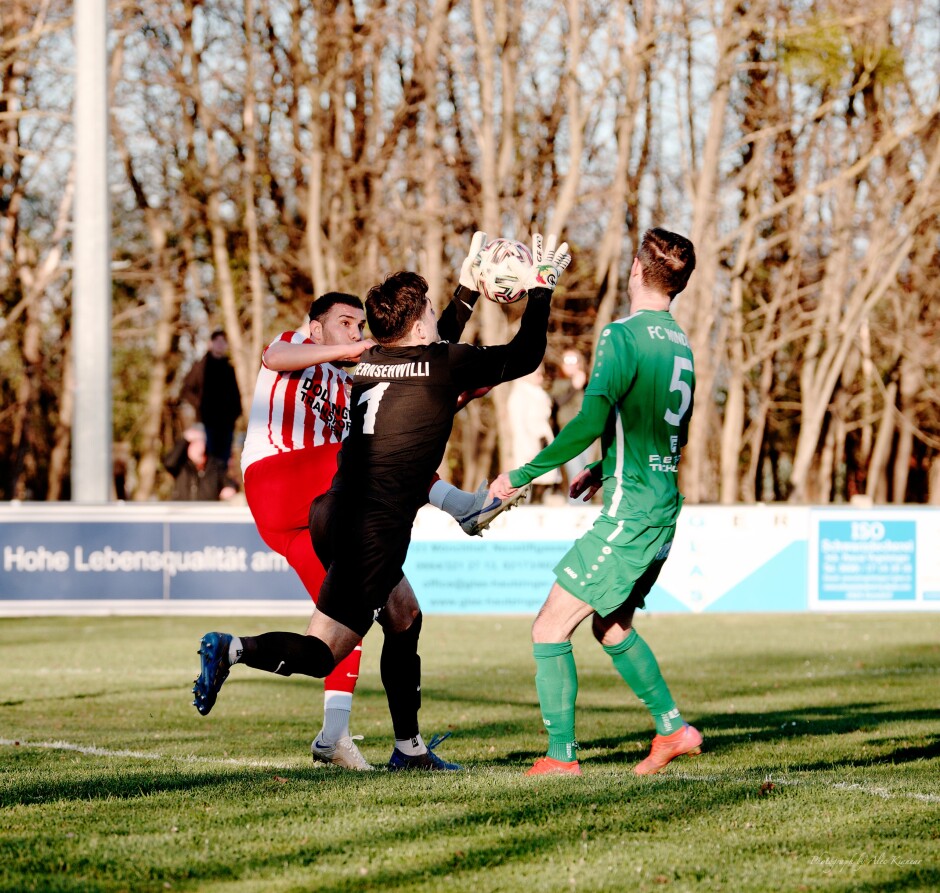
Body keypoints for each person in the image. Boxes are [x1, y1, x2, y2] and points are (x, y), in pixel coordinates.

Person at [191, 231, 570, 771]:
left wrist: (466, 290)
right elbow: (526, 355)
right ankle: (232, 648)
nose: (440, 318)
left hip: (329, 513)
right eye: (435, 311)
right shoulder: (442, 363)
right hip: (373, 528)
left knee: (405, 616)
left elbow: (422, 355)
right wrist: (540, 290)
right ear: (418, 325)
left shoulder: (364, 363)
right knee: (325, 651)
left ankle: (409, 748)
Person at [234, 288, 514, 770]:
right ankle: (462, 506)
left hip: (312, 516)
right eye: (345, 322)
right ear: (316, 326)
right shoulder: (300, 347)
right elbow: (273, 355)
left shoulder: (354, 383)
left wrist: (455, 388)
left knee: (374, 613)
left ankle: (345, 736)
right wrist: (345, 351)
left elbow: (422, 367)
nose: (356, 334)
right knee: (378, 461)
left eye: (360, 327)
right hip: (277, 480)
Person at [490, 227, 700, 777]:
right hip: (660, 508)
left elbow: (589, 420)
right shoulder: (681, 344)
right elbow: (663, 428)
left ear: (635, 269)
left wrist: (522, 474)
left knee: (549, 628)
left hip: (630, 515)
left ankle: (561, 757)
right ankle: (673, 730)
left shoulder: (622, 335)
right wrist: (603, 468)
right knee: (609, 624)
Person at [181, 330, 243, 467]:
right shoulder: (200, 366)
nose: (220, 345)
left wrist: (234, 414)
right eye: (217, 342)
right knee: (207, 459)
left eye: (223, 342)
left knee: (223, 461)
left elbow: (236, 395)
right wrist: (199, 405)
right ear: (211, 344)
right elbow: (186, 389)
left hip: (226, 425)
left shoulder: (229, 368)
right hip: (207, 422)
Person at [507, 365, 560, 503]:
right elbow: (518, 424)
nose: (540, 377)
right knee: (530, 482)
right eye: (536, 374)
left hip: (544, 442)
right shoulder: (519, 394)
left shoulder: (539, 393)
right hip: (529, 444)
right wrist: (528, 447)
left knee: (544, 481)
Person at [551, 348, 599, 502]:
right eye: (567, 361)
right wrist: (574, 387)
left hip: (587, 433)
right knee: (575, 474)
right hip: (568, 434)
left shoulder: (588, 384)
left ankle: (583, 508)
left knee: (587, 474)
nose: (570, 365)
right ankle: (577, 508)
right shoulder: (558, 383)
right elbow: (558, 402)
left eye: (574, 361)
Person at [164, 423, 238, 501]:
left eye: (200, 442)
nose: (198, 446)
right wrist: (184, 439)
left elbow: (229, 482)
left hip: (207, 511)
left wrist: (230, 488)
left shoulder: (216, 466)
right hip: (183, 511)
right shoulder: (181, 465)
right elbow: (169, 463)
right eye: (194, 443)